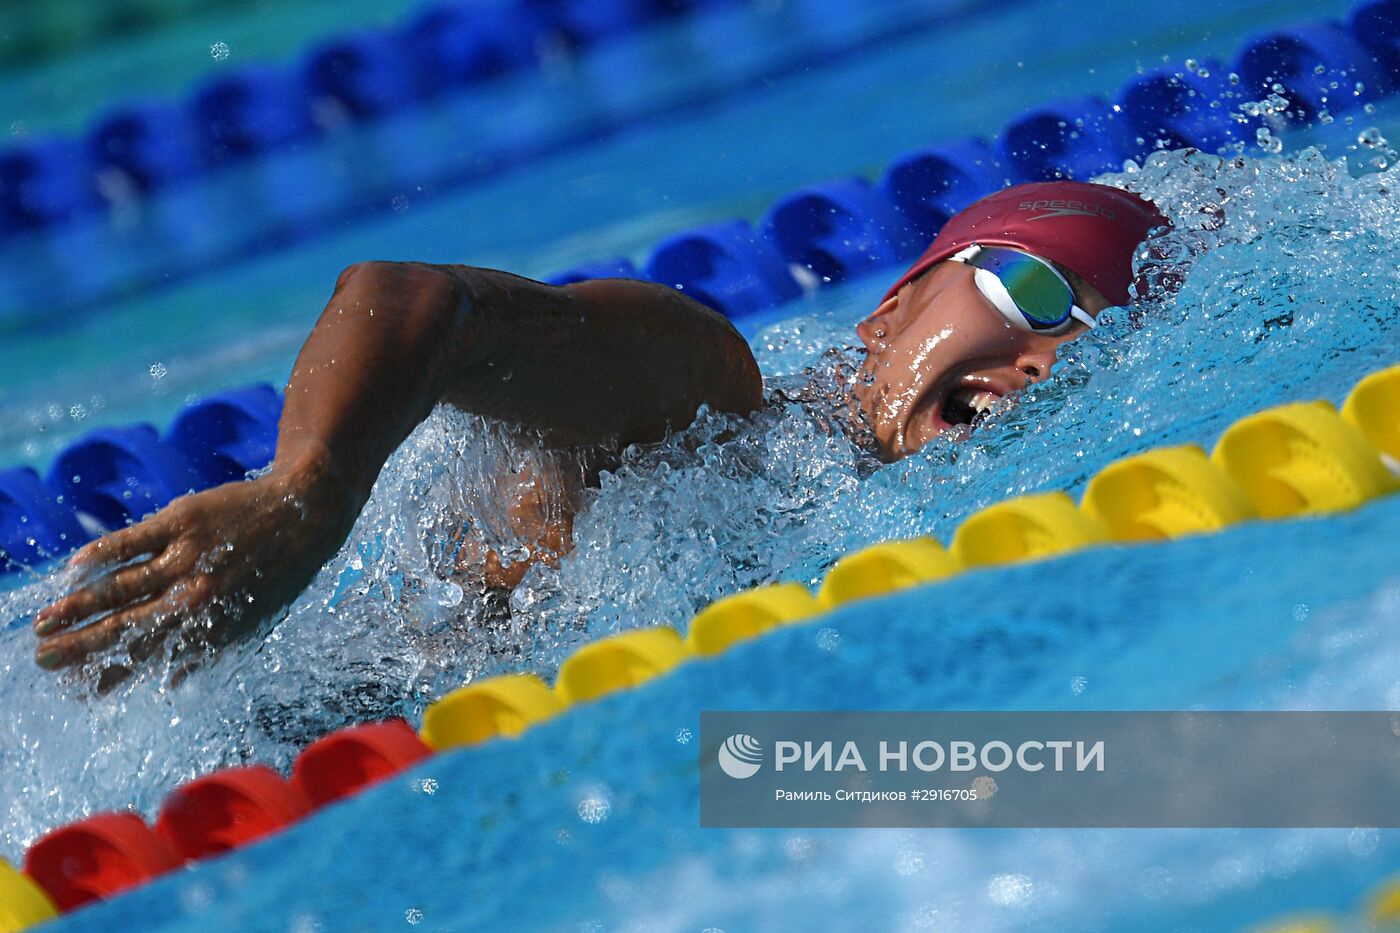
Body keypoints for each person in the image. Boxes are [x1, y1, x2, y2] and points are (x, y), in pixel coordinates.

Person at [31, 179, 1166, 673]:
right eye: (1035, 295)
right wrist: (306, 492)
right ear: (888, 310)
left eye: (1089, 346)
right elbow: (418, 301)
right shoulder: (709, 388)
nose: (1042, 359)